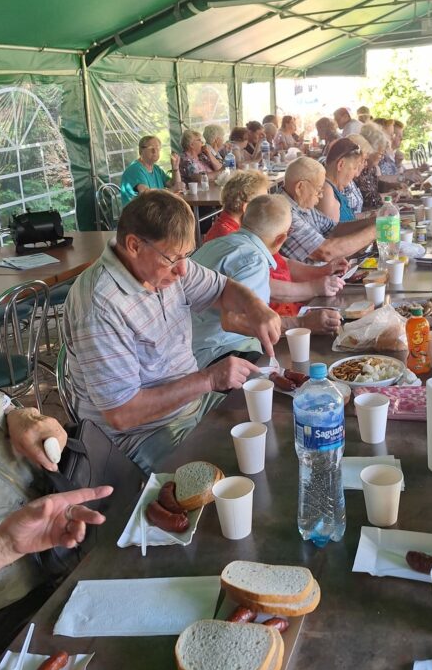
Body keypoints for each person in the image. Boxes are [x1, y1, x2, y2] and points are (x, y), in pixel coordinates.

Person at [63, 191, 281, 471]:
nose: (182, 269)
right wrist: (209, 379)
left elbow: (223, 289)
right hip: (140, 437)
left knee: (271, 428)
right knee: (232, 469)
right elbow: (122, 414)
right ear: (133, 245)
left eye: (186, 255)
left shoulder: (165, 268)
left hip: (192, 406)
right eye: (173, 258)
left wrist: (256, 307)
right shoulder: (100, 306)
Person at [0, 387, 112, 650]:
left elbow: (0, 405)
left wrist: (20, 415)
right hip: (12, 604)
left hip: (63, 548)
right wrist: (4, 546)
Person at [191, 196, 342, 368]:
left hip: (190, 346)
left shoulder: (219, 244)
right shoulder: (252, 259)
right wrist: (302, 323)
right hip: (215, 353)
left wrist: (315, 288)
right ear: (281, 239)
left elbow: (254, 290)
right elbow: (234, 320)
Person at [203, 170, 346, 316]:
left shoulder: (248, 228)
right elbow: (263, 287)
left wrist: (322, 272)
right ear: (246, 208)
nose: (269, 203)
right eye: (263, 200)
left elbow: (281, 262)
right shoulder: (226, 237)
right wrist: (313, 288)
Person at [279, 156, 378, 264]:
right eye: (318, 190)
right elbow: (325, 252)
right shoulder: (283, 213)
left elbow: (334, 229)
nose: (321, 195)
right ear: (300, 188)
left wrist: (375, 221)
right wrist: (375, 231)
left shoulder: (302, 203)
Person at [120, 135, 182, 206]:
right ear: (141, 150)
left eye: (157, 148)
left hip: (154, 211)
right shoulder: (135, 169)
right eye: (151, 148)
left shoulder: (156, 169)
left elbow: (175, 185)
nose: (155, 151)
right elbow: (148, 195)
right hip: (138, 214)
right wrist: (172, 190)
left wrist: (175, 169)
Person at [318, 138, 364, 222]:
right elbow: (334, 233)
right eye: (355, 168)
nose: (356, 174)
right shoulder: (326, 191)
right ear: (341, 165)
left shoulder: (332, 188)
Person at [356, 121, 390, 209]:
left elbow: (376, 186)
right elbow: (367, 200)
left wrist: (394, 186)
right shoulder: (357, 169)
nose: (382, 157)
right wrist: (389, 196)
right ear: (370, 150)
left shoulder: (372, 169)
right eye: (381, 154)